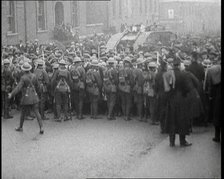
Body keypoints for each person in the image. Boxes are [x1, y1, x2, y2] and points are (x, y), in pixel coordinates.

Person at [8, 62, 44, 134]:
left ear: (24, 70)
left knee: (23, 113)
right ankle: (41, 127)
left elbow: (18, 88)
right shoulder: (34, 76)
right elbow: (38, 87)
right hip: (34, 96)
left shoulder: (23, 78)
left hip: (26, 97)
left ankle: (20, 127)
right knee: (37, 112)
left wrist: (11, 94)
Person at [165, 57, 192, 147]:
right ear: (180, 65)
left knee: (172, 120)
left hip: (171, 100)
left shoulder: (168, 74)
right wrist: (184, 94)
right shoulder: (183, 74)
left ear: (173, 65)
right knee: (182, 120)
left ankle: (171, 141)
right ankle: (182, 141)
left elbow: (166, 88)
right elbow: (188, 88)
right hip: (181, 99)